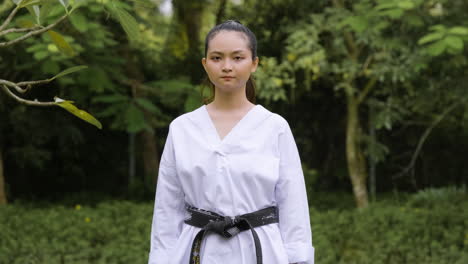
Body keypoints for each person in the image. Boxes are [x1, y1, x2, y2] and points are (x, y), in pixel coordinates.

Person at [148, 20, 314, 264]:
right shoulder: (182, 129)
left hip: (262, 252)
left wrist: (299, 259)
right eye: (216, 58)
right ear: (205, 64)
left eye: (238, 58)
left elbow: (293, 204)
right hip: (197, 252)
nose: (227, 66)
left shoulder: (274, 127)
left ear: (254, 63)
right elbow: (167, 207)